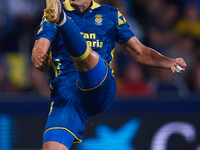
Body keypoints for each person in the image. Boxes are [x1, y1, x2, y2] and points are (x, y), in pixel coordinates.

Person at [31, 0, 187, 149]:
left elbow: (140, 51)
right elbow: (39, 47)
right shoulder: (52, 12)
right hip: (67, 97)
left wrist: (169, 62)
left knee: (88, 57)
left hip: (100, 86)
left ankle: (63, 22)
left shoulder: (111, 15)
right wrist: (40, 59)